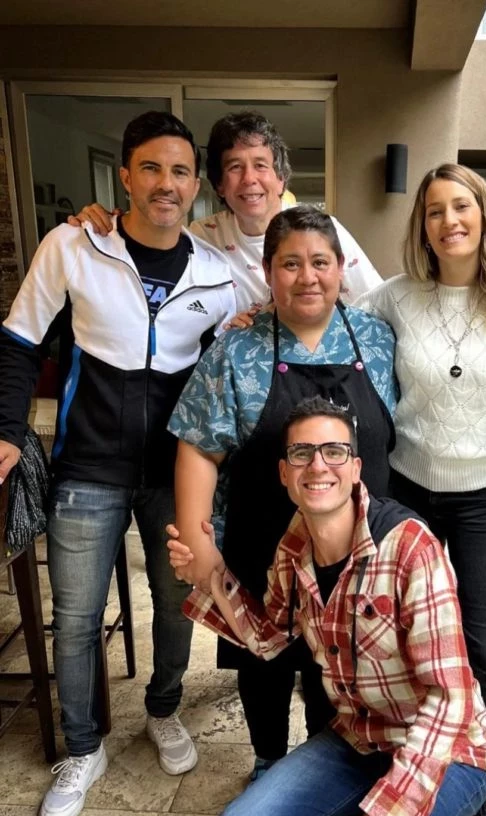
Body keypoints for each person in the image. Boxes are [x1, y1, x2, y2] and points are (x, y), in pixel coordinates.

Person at [168, 396, 486, 816]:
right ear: (284, 473)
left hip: (450, 749)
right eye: (302, 453)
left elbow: (450, 698)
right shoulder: (293, 549)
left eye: (334, 451)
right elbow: (269, 639)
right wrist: (208, 576)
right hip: (360, 738)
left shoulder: (409, 546)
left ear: (355, 467)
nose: (318, 465)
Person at [0, 111, 237, 816]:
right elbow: (18, 342)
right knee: (75, 616)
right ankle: (82, 747)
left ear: (195, 186)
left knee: (175, 600)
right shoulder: (75, 246)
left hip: (176, 471)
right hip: (88, 466)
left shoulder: (216, 273)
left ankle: (163, 709)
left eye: (180, 171)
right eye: (152, 168)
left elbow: (228, 372)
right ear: (126, 177)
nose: (167, 183)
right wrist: (6, 431)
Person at [168, 206, 396, 780]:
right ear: (268, 272)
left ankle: (329, 767)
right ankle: (268, 760)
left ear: (341, 267)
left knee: (340, 664)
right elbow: (199, 446)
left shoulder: (376, 338)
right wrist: (199, 544)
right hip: (261, 543)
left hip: (354, 551)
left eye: (320, 262)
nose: (307, 276)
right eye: (290, 264)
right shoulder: (236, 350)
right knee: (262, 663)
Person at [353, 163, 486, 816]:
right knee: (403, 644)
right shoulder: (395, 297)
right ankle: (409, 770)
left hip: (484, 494)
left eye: (462, 206)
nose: (449, 220)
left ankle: (484, 789)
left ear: (484, 214)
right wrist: (257, 314)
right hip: (408, 491)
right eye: (434, 210)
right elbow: (326, 318)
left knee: (484, 647)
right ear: (422, 225)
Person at [73, 109, 382, 310]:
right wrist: (104, 223)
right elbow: (149, 240)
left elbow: (377, 306)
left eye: (260, 165)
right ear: (219, 185)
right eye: (235, 167)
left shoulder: (323, 232)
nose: (249, 179)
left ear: (281, 179)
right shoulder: (201, 238)